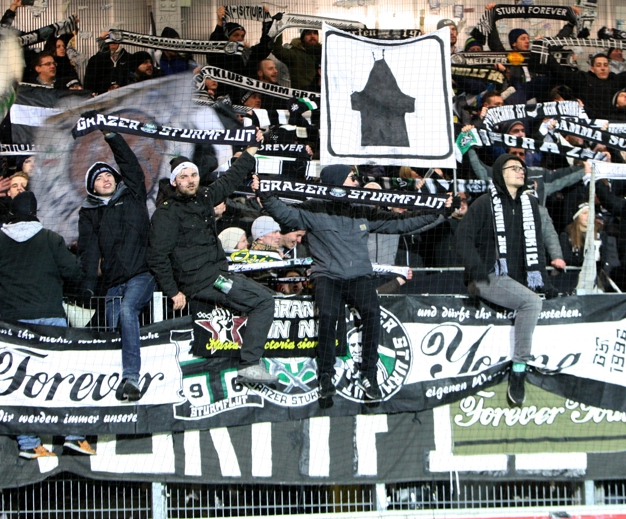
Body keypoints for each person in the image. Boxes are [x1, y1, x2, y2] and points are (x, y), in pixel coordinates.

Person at [258, 165, 449, 406]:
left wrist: (438, 212)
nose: (357, 183)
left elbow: (400, 223)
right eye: (352, 178)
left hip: (358, 276)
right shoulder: (313, 209)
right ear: (337, 181)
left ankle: (369, 375)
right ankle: (325, 375)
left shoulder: (361, 210)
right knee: (327, 314)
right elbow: (286, 215)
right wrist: (265, 195)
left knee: (372, 312)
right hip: (327, 276)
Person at [0, 192, 93, 459]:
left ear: (11, 213)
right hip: (51, 319)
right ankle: (73, 436)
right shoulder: (50, 239)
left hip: (15, 323)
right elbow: (73, 272)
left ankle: (28, 443)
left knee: (23, 384)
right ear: (36, 211)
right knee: (62, 380)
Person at [147, 133, 278, 385]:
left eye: (193, 175)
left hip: (216, 275)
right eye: (183, 177)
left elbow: (230, 180)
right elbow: (157, 256)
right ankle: (250, 364)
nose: (190, 180)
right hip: (204, 280)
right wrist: (173, 291)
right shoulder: (166, 213)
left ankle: (227, 371)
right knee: (263, 300)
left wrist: (250, 150)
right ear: (175, 182)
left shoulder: (205, 197)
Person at [455, 153, 562, 407]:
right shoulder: (484, 203)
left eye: (522, 167)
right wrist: (477, 269)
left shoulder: (531, 206)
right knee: (532, 303)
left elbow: (536, 246)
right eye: (513, 168)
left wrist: (544, 282)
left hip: (514, 280)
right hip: (485, 277)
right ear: (499, 174)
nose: (520, 171)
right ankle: (519, 370)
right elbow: (462, 236)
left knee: (536, 298)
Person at [77, 131, 155, 402]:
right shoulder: (89, 213)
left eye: (108, 174)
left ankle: (131, 377)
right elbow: (88, 251)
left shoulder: (133, 194)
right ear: (92, 188)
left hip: (141, 274)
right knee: (111, 325)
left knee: (127, 309)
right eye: (99, 178)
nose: (106, 179)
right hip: (112, 280)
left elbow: (131, 166)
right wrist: (88, 285)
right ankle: (109, 383)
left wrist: (113, 138)